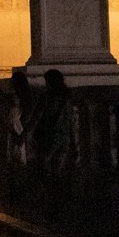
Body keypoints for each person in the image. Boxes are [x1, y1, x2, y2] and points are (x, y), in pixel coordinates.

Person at [26, 68, 78, 218]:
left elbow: (36, 117)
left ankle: (51, 202)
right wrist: (73, 143)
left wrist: (24, 133)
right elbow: (70, 122)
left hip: (50, 137)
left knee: (43, 168)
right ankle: (57, 203)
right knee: (56, 171)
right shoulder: (67, 97)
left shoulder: (46, 97)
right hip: (64, 139)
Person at [0, 69, 33, 199]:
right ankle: (17, 190)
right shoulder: (22, 96)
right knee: (17, 160)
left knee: (14, 160)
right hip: (16, 127)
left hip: (12, 128)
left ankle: (16, 190)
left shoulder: (14, 96)